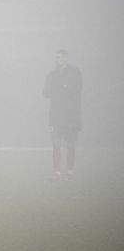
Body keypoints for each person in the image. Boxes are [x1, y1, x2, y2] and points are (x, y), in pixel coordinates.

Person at [43, 49, 82, 181]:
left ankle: (70, 172)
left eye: (59, 57)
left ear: (66, 58)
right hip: (55, 115)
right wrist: (53, 87)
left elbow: (78, 89)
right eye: (56, 58)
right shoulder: (52, 74)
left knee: (71, 144)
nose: (57, 60)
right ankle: (57, 173)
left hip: (71, 115)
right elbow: (46, 93)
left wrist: (65, 86)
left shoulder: (75, 72)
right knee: (56, 144)